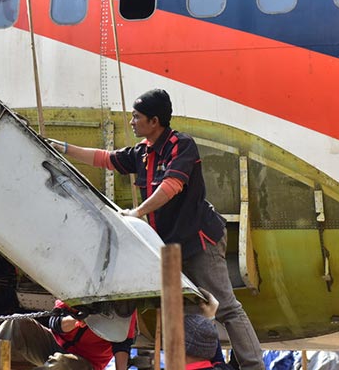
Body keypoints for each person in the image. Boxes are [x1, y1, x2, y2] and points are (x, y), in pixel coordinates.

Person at [50, 89, 264, 370]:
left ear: (154, 121)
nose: (131, 122)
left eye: (136, 117)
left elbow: (171, 186)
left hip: (198, 242)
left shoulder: (181, 145)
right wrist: (65, 149)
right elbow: (105, 158)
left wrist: (138, 213)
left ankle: (253, 366)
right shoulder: (142, 152)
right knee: (188, 314)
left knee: (225, 307)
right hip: (169, 248)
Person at [0, 300, 136, 370]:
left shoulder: (124, 309)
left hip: (85, 364)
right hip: (53, 346)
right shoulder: (78, 289)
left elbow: (122, 344)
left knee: (62, 362)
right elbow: (55, 324)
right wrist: (79, 319)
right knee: (17, 321)